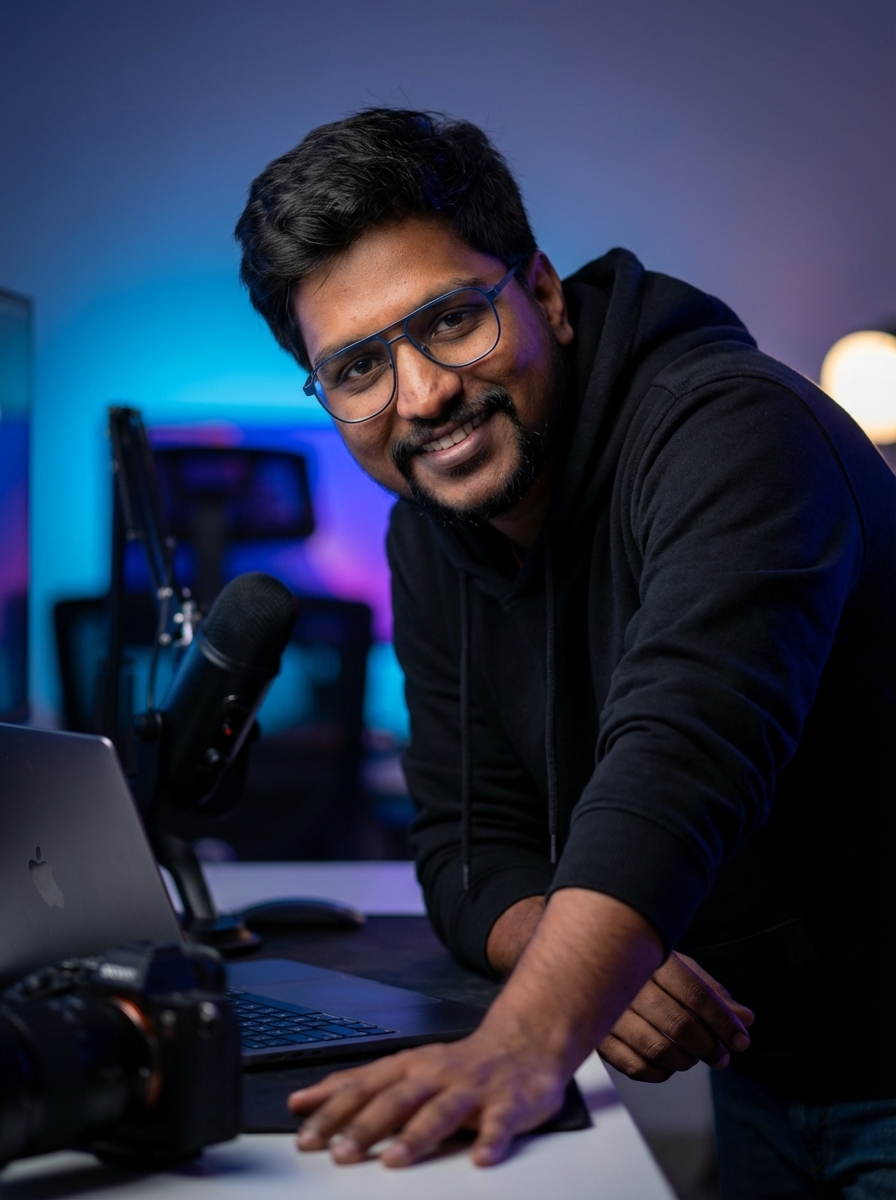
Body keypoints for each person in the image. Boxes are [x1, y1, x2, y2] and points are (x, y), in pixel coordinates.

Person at [234, 109, 895, 1197]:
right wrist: (554, 943)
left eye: (452, 319)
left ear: (540, 292)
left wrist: (525, 1039)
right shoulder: (430, 528)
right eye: (355, 367)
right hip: (766, 1064)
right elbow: (464, 836)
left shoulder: (737, 431)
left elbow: (684, 756)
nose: (423, 395)